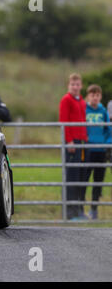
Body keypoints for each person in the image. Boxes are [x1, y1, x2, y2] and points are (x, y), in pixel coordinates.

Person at [59, 73, 88, 220]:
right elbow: (63, 121)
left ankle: (79, 210)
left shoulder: (82, 101)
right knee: (71, 176)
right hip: (72, 142)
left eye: (77, 85)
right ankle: (70, 212)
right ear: (68, 86)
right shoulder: (66, 100)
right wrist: (69, 140)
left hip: (82, 141)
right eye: (73, 85)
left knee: (80, 176)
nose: (75, 87)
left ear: (81, 86)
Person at [80, 84, 111, 219]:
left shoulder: (103, 111)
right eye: (92, 95)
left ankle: (94, 209)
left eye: (97, 95)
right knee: (84, 179)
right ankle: (79, 208)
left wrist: (107, 143)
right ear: (88, 96)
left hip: (101, 151)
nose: (95, 98)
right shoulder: (83, 110)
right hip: (87, 150)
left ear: (100, 97)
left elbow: (109, 130)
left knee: (98, 181)